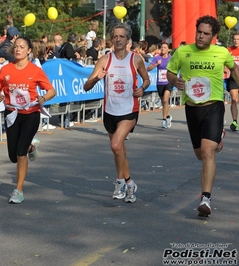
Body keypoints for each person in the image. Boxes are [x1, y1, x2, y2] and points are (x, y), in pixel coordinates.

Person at [166, 15, 239, 217]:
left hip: (213, 107)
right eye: (199, 32)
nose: (201, 36)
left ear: (213, 36)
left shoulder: (221, 52)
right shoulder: (183, 51)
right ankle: (218, 137)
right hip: (192, 108)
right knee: (200, 154)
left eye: (206, 34)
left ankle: (205, 198)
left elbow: (234, 69)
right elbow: (170, 72)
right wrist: (176, 81)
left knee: (208, 152)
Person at [83, 23, 150, 203]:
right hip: (110, 111)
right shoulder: (105, 60)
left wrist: (142, 88)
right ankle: (130, 183)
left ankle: (120, 182)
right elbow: (86, 86)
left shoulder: (135, 59)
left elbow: (146, 79)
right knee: (119, 150)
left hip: (129, 110)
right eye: (115, 36)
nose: (118, 39)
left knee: (115, 145)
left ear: (128, 40)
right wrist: (97, 78)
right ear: (111, 39)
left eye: (121, 36)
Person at [0, 36, 56, 203]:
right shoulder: (6, 70)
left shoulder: (35, 70)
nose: (17, 49)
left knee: (20, 154)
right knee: (13, 156)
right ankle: (30, 147)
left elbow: (51, 90)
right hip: (12, 114)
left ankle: (18, 190)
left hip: (31, 115)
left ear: (29, 51)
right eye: (16, 47)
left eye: (21, 47)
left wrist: (43, 98)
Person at [147, 42, 173, 128]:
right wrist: (156, 64)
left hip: (168, 82)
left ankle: (164, 120)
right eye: (162, 48)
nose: (163, 49)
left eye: (165, 47)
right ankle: (168, 116)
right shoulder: (157, 58)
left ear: (168, 49)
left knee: (165, 100)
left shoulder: (171, 59)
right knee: (163, 102)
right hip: (160, 82)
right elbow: (148, 68)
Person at [226, 31, 239, 131]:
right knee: (234, 99)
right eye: (234, 39)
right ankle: (234, 121)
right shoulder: (229, 50)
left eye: (238, 39)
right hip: (233, 78)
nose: (236, 41)